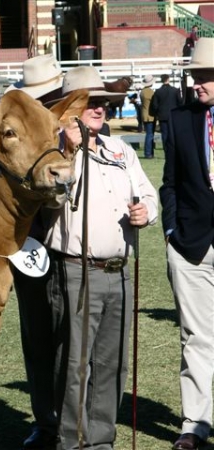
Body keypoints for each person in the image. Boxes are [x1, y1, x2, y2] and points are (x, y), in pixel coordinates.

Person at [44, 66, 159, 450]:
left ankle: (100, 441)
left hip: (119, 272)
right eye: (89, 102)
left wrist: (147, 211)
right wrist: (71, 150)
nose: (100, 109)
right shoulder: (54, 157)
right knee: (74, 364)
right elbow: (52, 198)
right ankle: (71, 442)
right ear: (67, 110)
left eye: (104, 102)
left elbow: (148, 193)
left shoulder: (121, 150)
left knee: (112, 364)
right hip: (77, 272)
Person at [7, 53, 64, 450]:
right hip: (30, 242)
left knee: (73, 339)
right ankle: (45, 421)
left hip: (76, 245)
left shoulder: (81, 128)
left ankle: (73, 417)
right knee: (36, 335)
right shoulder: (17, 127)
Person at [160, 37, 214, 450]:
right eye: (195, 75)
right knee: (196, 336)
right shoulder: (179, 119)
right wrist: (172, 234)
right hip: (191, 247)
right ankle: (195, 424)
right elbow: (171, 183)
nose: (197, 83)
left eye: (206, 76)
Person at [151, 74, 182, 149]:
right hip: (173, 115)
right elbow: (180, 102)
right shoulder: (175, 90)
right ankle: (174, 148)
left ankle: (166, 149)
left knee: (164, 134)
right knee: (173, 133)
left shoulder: (158, 91)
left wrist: (157, 113)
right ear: (168, 79)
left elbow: (154, 105)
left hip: (162, 115)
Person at [141, 74, 156, 158]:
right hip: (150, 115)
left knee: (149, 134)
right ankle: (148, 153)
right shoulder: (150, 92)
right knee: (150, 135)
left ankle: (149, 152)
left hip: (144, 114)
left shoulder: (143, 91)